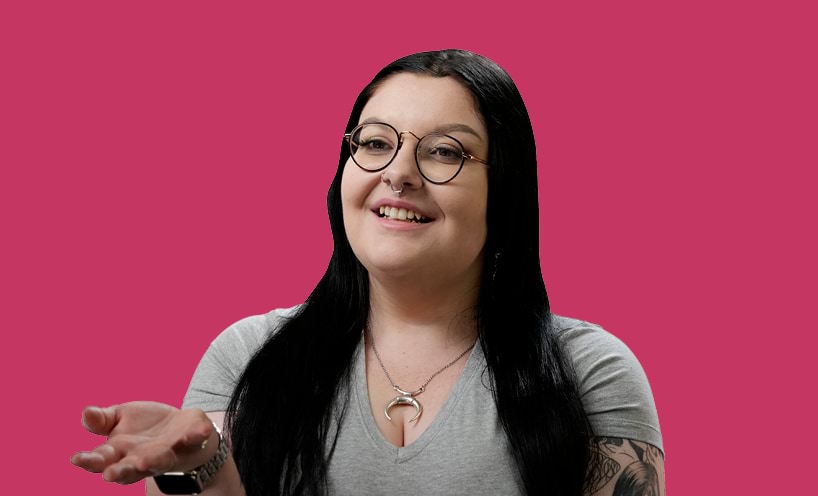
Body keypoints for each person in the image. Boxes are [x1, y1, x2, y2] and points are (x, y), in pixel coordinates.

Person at [71, 49, 664, 496]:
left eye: (444, 151)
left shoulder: (590, 373)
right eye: (375, 143)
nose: (398, 173)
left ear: (504, 192)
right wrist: (197, 466)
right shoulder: (247, 357)